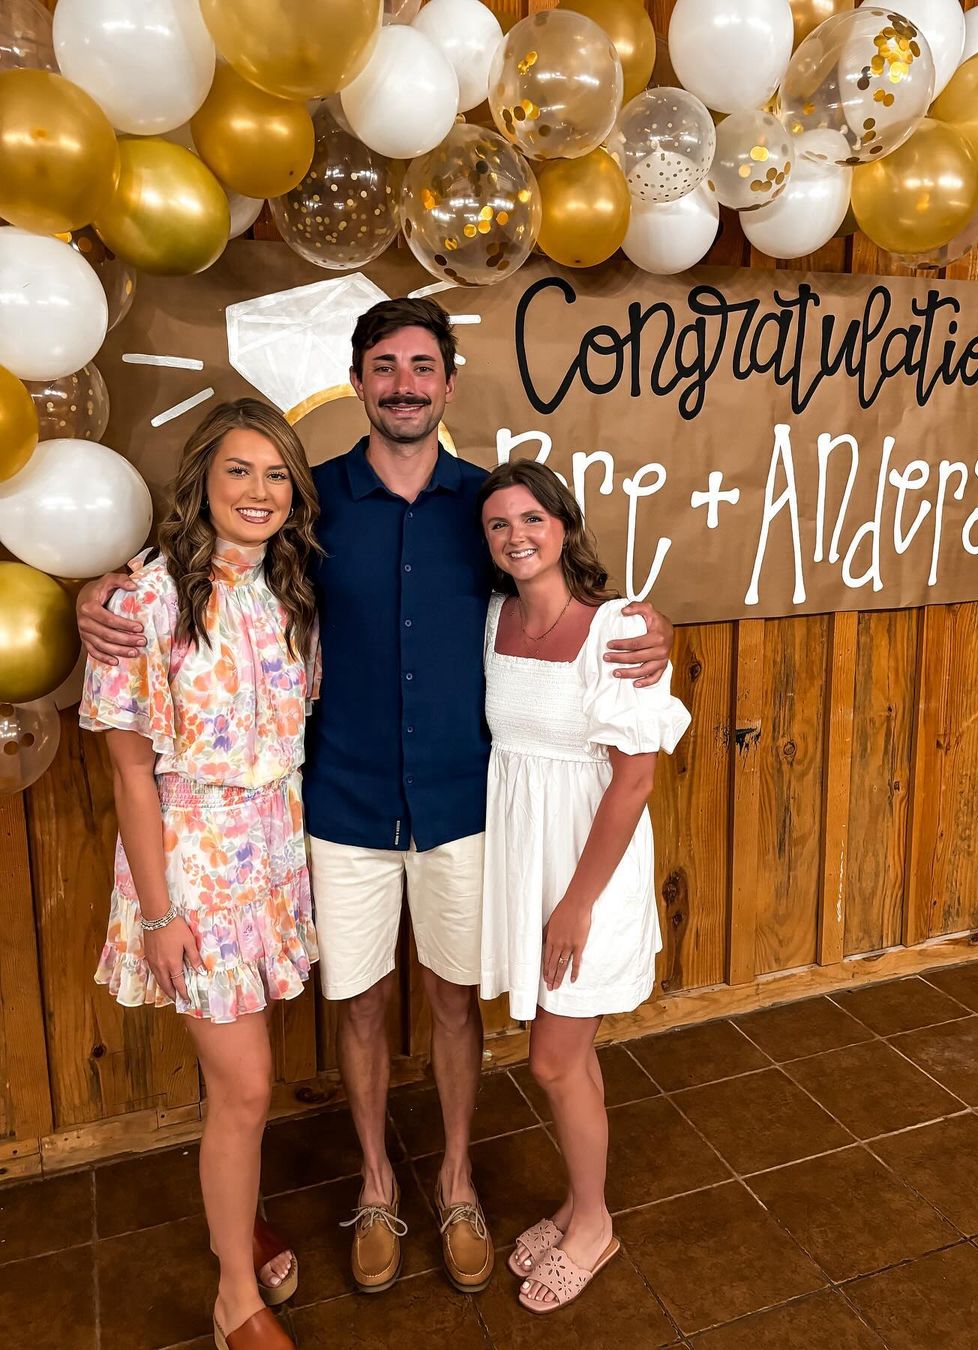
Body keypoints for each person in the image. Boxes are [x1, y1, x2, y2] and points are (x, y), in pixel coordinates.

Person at [76, 297, 674, 1300]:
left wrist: (651, 628)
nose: (404, 384)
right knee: (358, 1003)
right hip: (341, 806)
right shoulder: (309, 500)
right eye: (384, 367)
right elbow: (196, 564)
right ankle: (377, 1183)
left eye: (422, 366)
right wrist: (96, 591)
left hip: (459, 805)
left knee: (451, 1001)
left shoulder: (488, 508)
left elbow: (566, 596)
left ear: (448, 382)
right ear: (356, 381)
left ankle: (456, 1182)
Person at [79, 399, 321, 1350]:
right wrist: (158, 912)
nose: (259, 491)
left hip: (274, 859)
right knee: (250, 1086)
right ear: (201, 482)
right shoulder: (144, 603)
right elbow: (131, 774)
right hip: (194, 869)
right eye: (239, 471)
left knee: (240, 1084)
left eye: (277, 474)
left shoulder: (289, 592)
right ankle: (234, 1299)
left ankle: (240, 1219)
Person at [478, 459, 689, 1315]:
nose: (517, 536)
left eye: (533, 518)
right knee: (572, 1054)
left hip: (588, 870)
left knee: (553, 1059)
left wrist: (576, 903)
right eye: (499, 524)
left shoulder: (620, 629)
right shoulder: (492, 618)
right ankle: (577, 1200)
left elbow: (633, 781)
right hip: (525, 859)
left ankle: (594, 1225)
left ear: (563, 525)